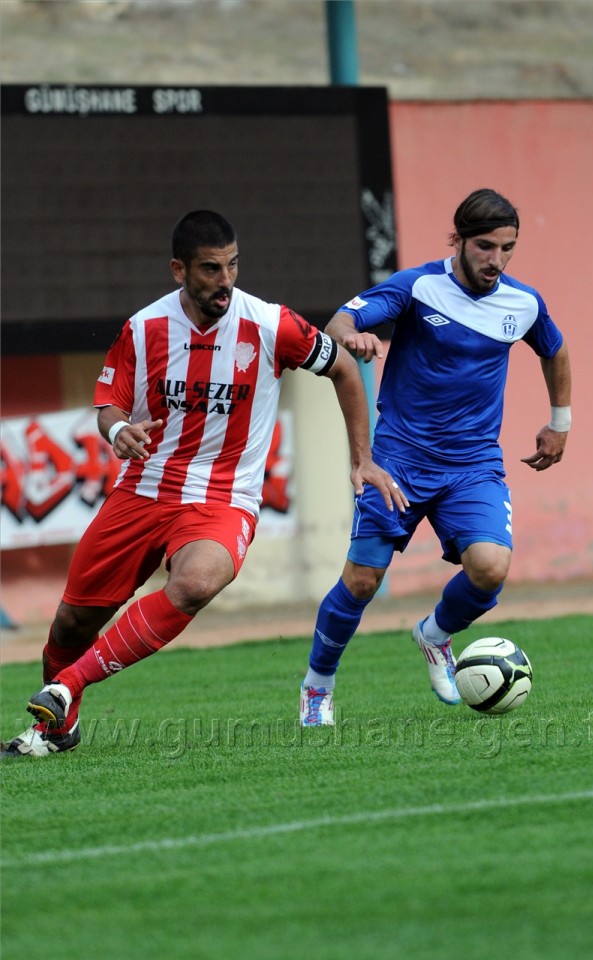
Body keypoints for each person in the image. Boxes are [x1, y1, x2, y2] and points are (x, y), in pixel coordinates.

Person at [1, 209, 407, 758]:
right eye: (211, 269)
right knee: (73, 622)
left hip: (224, 497)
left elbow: (340, 369)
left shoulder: (269, 324)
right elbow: (109, 402)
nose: (226, 281)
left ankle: (68, 686)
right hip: (144, 488)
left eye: (233, 265)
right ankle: (59, 727)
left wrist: (362, 458)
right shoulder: (144, 329)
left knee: (196, 581)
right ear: (179, 270)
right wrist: (118, 428)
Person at [299, 188, 572, 726]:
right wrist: (355, 339)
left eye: (507, 248)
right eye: (486, 247)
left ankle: (436, 635)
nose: (496, 260)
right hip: (398, 459)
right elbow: (338, 324)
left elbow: (555, 349)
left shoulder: (523, 303)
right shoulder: (418, 287)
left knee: (490, 568)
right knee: (361, 582)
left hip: (473, 465)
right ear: (460, 240)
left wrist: (559, 424)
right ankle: (317, 686)